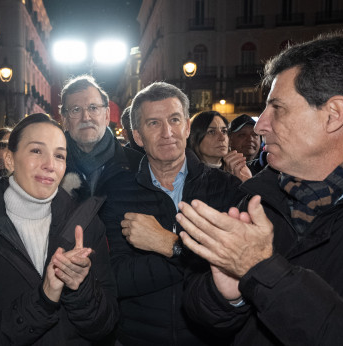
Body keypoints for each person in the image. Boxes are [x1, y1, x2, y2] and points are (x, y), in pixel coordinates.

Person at [178, 32, 343, 345]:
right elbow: (201, 311)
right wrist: (227, 296)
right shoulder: (258, 196)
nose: (260, 125)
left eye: (277, 108)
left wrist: (262, 271)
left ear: (334, 115)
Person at [0, 113, 119, 345]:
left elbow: (105, 326)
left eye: (59, 155)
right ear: (9, 159)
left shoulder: (86, 224)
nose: (49, 165)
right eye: (37, 151)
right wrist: (44, 300)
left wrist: (81, 289)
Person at [100, 82, 245, 345]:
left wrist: (168, 244)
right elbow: (117, 279)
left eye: (174, 120)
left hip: (211, 338)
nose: (167, 132)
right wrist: (200, 257)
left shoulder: (226, 188)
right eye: (153, 123)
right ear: (138, 136)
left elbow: (239, 269)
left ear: (187, 127)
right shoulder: (117, 193)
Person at [59, 75, 142, 201]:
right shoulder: (50, 168)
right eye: (76, 110)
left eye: (93, 108)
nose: (86, 117)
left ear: (107, 115)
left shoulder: (140, 166)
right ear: (65, 120)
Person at [189, 111, 252, 182]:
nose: (222, 138)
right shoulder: (184, 174)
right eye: (211, 132)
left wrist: (247, 183)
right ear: (194, 138)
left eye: (224, 131)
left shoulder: (239, 169)